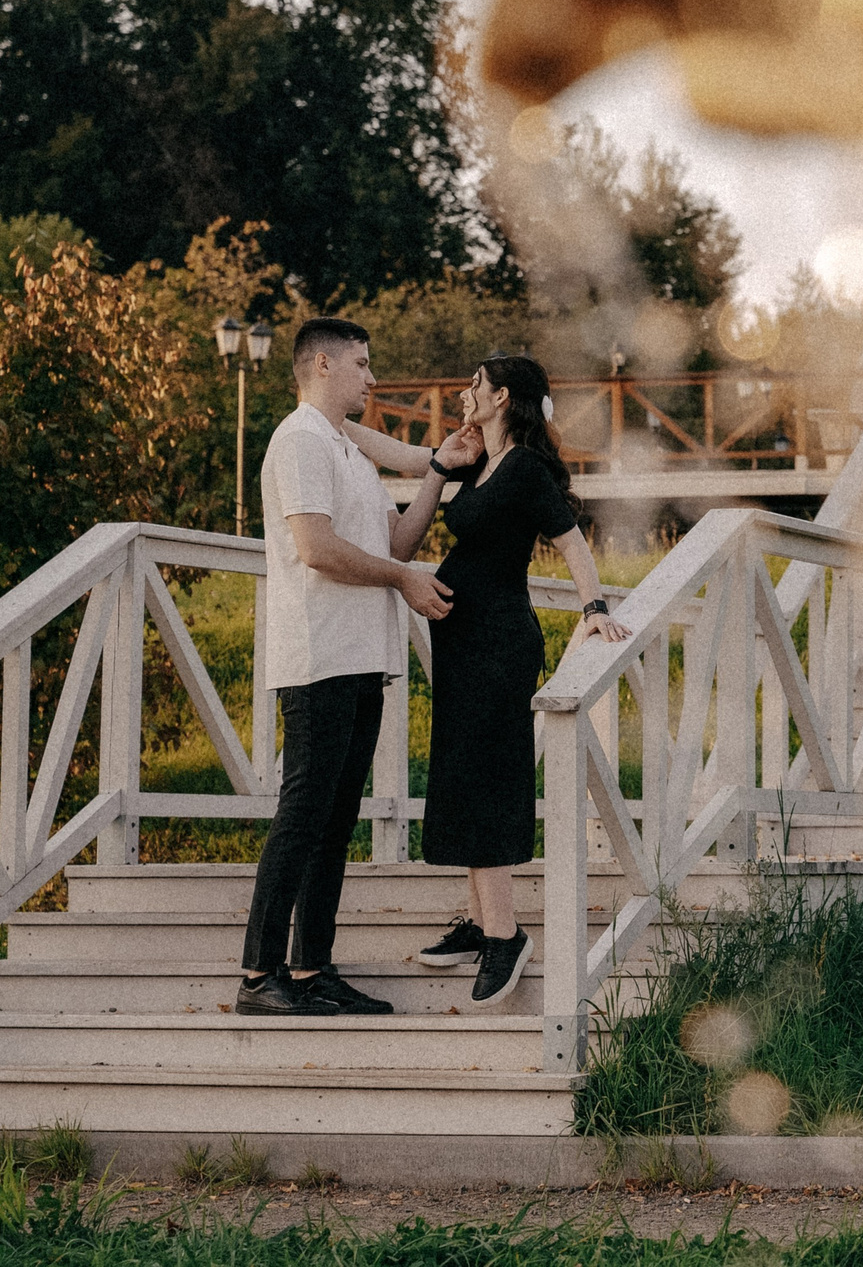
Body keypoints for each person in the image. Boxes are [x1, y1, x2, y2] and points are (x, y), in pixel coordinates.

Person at [239, 318, 476, 1016]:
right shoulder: (301, 440)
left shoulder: (346, 452)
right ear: (321, 364)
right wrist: (402, 581)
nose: (373, 378)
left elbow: (396, 540)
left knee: (335, 820)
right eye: (363, 364)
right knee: (303, 815)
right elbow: (316, 548)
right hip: (316, 657)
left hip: (362, 659)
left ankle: (311, 968)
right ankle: (259, 975)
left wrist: (434, 474)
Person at [389, 354, 628, 1008]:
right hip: (464, 644)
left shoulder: (521, 466)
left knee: (487, 777)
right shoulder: (481, 463)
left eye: (474, 383)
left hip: (497, 642)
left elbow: (570, 539)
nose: (464, 390)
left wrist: (594, 608)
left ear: (501, 397)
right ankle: (478, 919)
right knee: (463, 774)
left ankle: (505, 934)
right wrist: (447, 461)